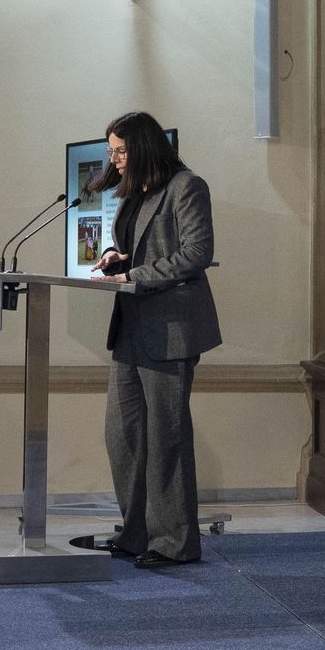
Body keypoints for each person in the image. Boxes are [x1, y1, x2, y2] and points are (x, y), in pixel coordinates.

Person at [90, 111, 222, 569]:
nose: (115, 160)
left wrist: (136, 275)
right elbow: (132, 246)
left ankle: (175, 543)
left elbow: (197, 252)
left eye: (121, 151)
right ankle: (134, 533)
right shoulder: (132, 193)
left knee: (165, 438)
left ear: (144, 147)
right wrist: (113, 257)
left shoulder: (186, 186)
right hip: (129, 325)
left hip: (171, 327)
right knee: (122, 435)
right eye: (111, 152)